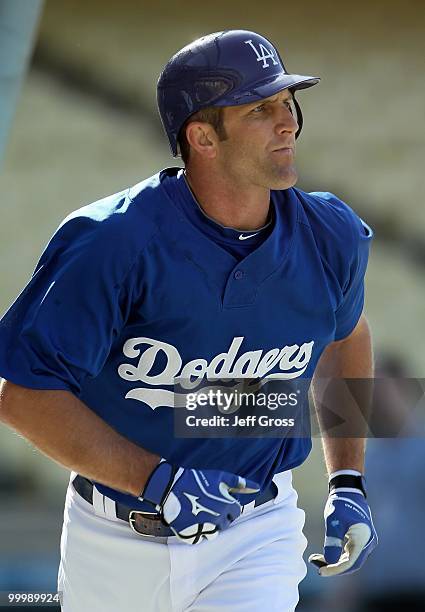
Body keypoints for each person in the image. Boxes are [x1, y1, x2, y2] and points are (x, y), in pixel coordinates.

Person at [0, 30, 377, 611]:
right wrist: (158, 480)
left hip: (258, 529)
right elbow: (24, 395)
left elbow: (348, 336)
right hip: (114, 538)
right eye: (260, 108)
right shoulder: (111, 241)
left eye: (287, 103)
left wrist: (347, 481)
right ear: (201, 136)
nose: (287, 123)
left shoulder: (331, 234)